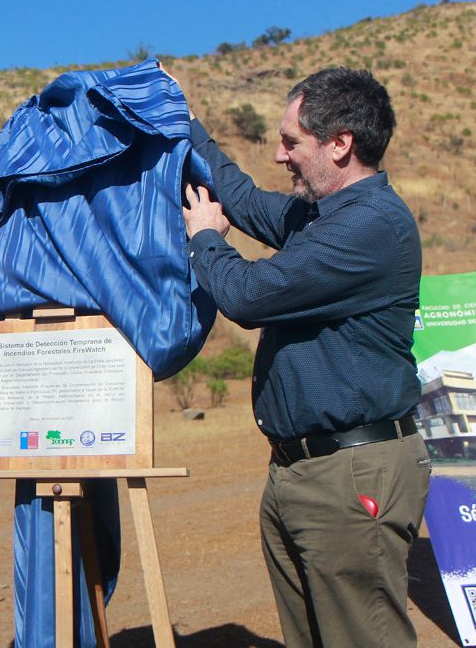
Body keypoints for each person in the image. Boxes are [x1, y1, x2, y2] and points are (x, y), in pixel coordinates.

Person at [178, 67, 431, 648]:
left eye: (291, 141)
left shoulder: (370, 227)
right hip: (303, 469)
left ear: (340, 144)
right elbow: (239, 197)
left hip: (350, 473)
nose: (278, 154)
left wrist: (205, 240)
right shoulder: (318, 217)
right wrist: (183, 122)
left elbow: (247, 296)